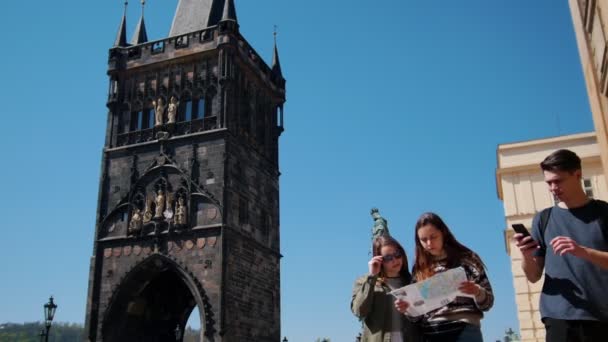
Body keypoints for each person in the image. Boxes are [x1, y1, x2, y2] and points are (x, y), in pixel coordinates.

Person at [513, 149, 608, 342]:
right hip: (558, 316)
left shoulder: (604, 212)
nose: (553, 188)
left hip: (601, 317)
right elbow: (533, 276)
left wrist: (583, 251)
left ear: (578, 175)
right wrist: (525, 254)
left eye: (558, 181)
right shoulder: (544, 218)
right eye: (548, 182)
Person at [396, 212, 493, 342]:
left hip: (465, 332)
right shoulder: (419, 269)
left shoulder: (468, 260)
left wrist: (477, 291)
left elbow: (488, 303)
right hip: (431, 334)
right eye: (423, 240)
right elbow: (416, 318)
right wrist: (408, 309)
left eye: (433, 237)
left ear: (443, 233)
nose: (429, 243)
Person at [351, 235, 418, 342]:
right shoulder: (364, 281)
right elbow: (360, 311)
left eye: (397, 254)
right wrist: (372, 277)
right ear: (379, 260)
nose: (395, 260)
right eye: (388, 258)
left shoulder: (412, 281)